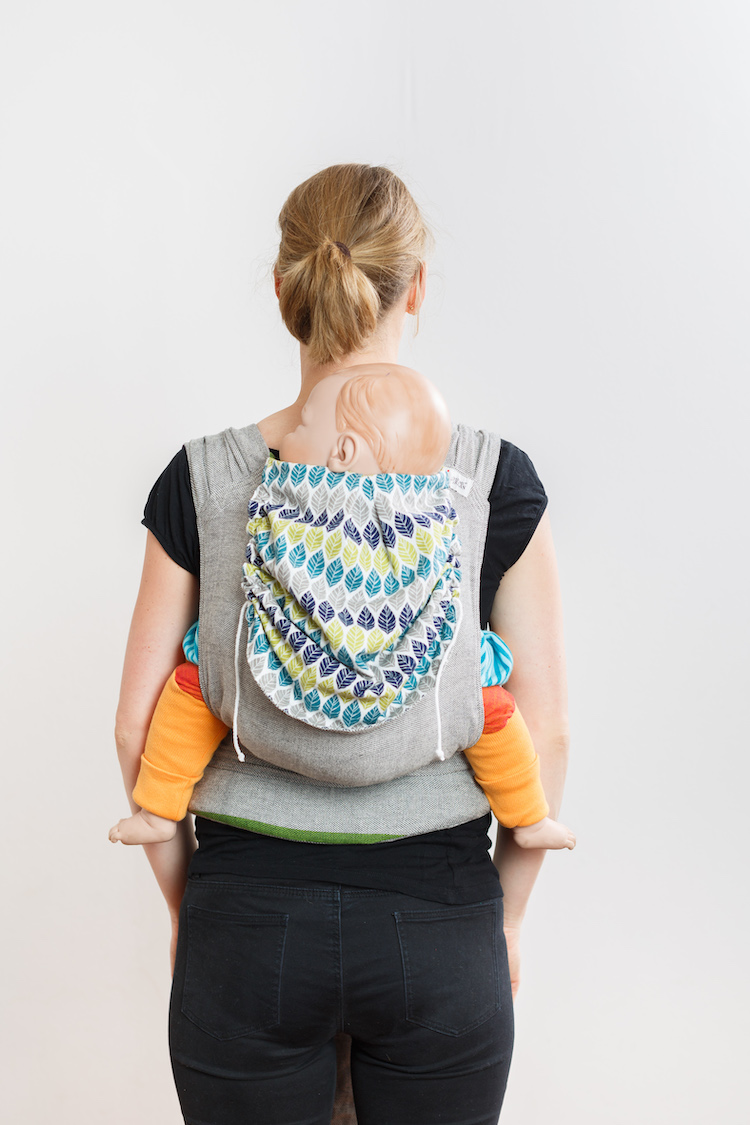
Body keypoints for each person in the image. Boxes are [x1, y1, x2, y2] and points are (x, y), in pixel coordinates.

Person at [114, 164, 570, 1125]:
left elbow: (136, 727)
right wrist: (509, 917)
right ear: (416, 287)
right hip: (442, 922)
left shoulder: (203, 478)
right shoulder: (493, 481)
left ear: (286, 289)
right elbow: (546, 730)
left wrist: (189, 909)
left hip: (245, 923)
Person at [110, 366, 575, 854]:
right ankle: (529, 816)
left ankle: (158, 808)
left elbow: (129, 732)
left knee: (194, 687)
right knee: (490, 707)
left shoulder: (257, 494)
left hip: (241, 865)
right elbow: (552, 734)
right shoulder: (448, 508)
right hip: (442, 871)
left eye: (302, 426)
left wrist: (181, 896)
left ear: (344, 451)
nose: (288, 437)